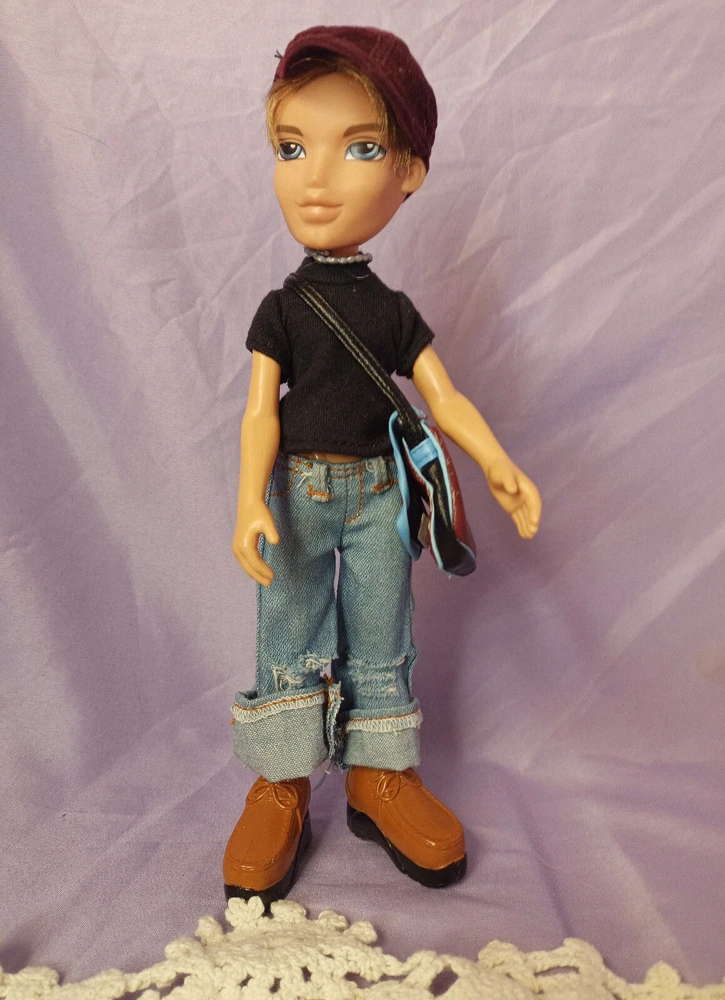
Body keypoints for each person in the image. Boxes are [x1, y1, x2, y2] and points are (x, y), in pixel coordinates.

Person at [224, 26, 542, 906]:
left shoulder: (392, 311)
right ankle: (282, 784)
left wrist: (495, 460)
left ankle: (379, 775)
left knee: (381, 632)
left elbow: (444, 395)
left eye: (359, 148)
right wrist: (248, 497)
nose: (316, 179)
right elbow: (259, 411)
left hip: (377, 498)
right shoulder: (282, 310)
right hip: (296, 494)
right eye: (292, 148)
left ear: (410, 171)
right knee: (289, 633)